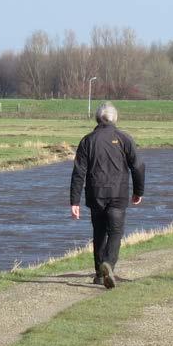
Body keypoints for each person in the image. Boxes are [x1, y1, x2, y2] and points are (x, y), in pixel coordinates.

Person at [70, 102, 145, 289]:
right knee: (115, 232)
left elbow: (79, 171)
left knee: (99, 232)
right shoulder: (124, 138)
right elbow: (138, 166)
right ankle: (109, 265)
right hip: (118, 193)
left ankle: (99, 274)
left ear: (97, 118)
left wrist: (74, 201)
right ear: (115, 118)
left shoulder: (87, 140)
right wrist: (138, 191)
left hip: (95, 193)